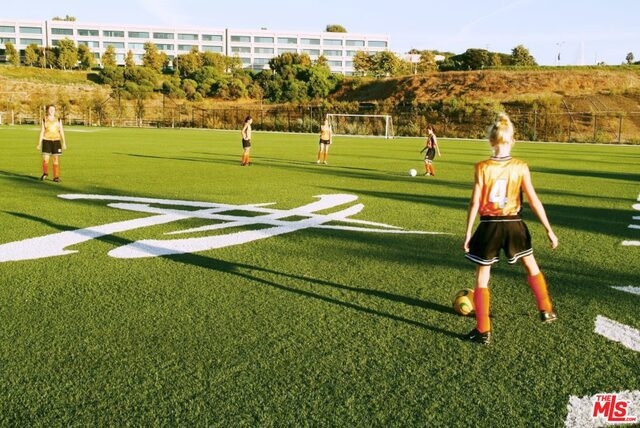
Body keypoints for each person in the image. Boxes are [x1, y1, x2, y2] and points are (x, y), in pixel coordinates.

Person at [462, 113, 559, 345]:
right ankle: (546, 309)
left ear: (490, 141)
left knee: (483, 276)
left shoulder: (482, 167)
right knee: (530, 264)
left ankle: (483, 330)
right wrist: (548, 229)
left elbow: (475, 202)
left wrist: (468, 232)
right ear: (513, 140)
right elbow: (533, 200)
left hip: (489, 226)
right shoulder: (520, 167)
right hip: (514, 224)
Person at [36, 104, 67, 182]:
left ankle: (56, 177)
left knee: (55, 159)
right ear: (47, 110)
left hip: (56, 141)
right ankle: (45, 173)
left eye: (53, 109)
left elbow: (61, 131)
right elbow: (42, 131)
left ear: (55, 110)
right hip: (46, 140)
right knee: (46, 159)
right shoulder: (44, 119)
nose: (51, 111)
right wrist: (39, 143)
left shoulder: (58, 120)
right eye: (50, 109)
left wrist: (64, 142)